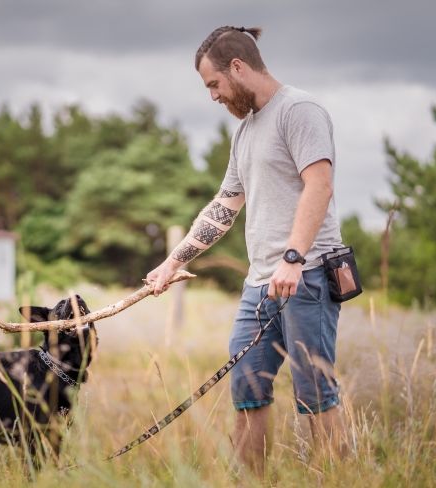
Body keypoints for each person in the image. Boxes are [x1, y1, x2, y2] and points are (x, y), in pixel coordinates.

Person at [146, 26, 347, 475]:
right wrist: (171, 262)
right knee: (247, 392)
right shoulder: (245, 132)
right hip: (259, 285)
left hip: (307, 275)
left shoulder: (300, 110)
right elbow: (224, 205)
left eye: (214, 84)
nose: (214, 96)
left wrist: (293, 260)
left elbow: (320, 185)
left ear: (238, 67)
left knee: (315, 394)